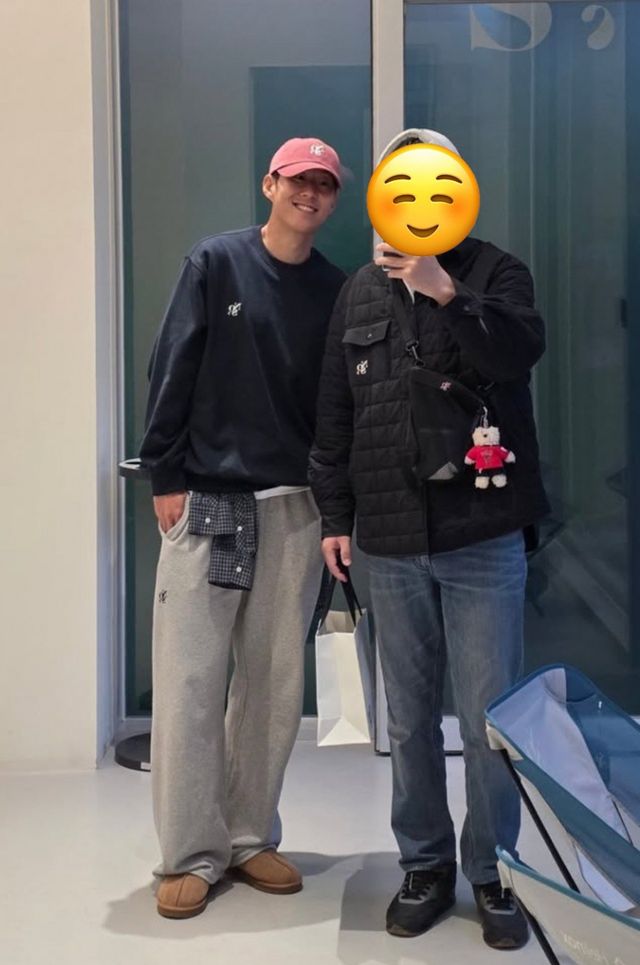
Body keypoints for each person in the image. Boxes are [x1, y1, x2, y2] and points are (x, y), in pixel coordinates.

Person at [309, 128, 549, 950]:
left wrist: (444, 289)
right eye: (400, 187)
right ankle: (424, 865)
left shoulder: (497, 272)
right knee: (409, 720)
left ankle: (494, 871)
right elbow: (334, 413)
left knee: (487, 720)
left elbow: (519, 353)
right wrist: (334, 517)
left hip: (482, 532)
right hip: (386, 536)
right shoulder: (357, 292)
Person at [140, 137, 346, 919]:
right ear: (270, 184)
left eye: (324, 184)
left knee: (271, 684)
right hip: (208, 498)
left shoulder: (334, 288)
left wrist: (338, 502)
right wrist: (165, 471)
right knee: (190, 682)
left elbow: (337, 405)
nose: (309, 193)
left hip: (295, 505)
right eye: (298, 180)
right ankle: (188, 852)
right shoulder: (216, 262)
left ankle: (248, 835)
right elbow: (172, 363)